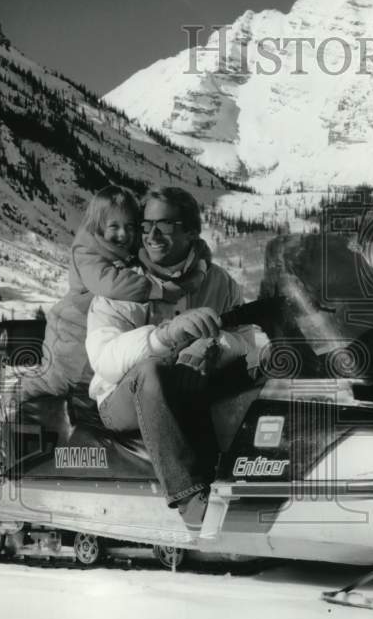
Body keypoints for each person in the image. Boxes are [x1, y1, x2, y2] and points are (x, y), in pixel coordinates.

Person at [85, 187, 253, 524]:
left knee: (251, 376)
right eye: (145, 227)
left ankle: (257, 479)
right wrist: (166, 336)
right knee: (151, 371)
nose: (151, 236)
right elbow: (104, 359)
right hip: (121, 398)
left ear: (191, 231)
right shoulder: (123, 285)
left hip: (192, 386)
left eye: (164, 225)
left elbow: (248, 341)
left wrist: (210, 346)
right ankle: (190, 501)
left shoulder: (219, 282)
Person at [21, 183, 211, 400]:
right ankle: (19, 398)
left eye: (130, 227)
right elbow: (111, 285)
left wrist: (200, 265)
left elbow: (190, 245)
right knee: (58, 381)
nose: (123, 234)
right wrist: (158, 290)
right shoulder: (86, 251)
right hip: (72, 326)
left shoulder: (125, 244)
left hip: (99, 325)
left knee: (88, 381)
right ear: (99, 225)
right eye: (114, 227)